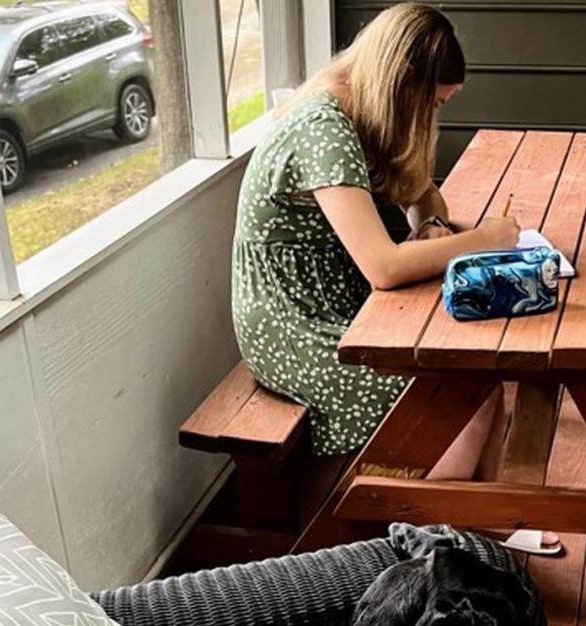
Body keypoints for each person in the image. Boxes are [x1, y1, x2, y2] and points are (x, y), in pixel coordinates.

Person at [232, 3, 558, 552]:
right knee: (451, 393)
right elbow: (383, 267)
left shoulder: (364, 109)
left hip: (341, 302)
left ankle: (481, 520)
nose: (432, 115)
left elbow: (422, 191)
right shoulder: (324, 129)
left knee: (480, 378)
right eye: (431, 102)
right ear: (402, 85)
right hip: (295, 325)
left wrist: (430, 223)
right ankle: (432, 530)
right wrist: (482, 239)